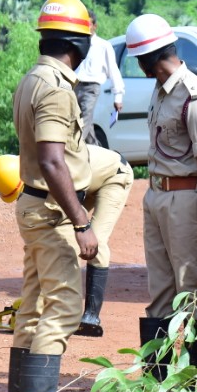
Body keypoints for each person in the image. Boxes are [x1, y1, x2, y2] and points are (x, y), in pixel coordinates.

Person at [9, 0, 101, 392]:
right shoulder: (56, 89)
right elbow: (51, 159)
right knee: (63, 308)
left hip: (33, 204)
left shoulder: (31, 79)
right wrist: (81, 222)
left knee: (33, 306)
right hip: (50, 212)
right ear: (76, 44)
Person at [132, 12, 197, 368]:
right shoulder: (159, 90)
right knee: (161, 291)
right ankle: (160, 381)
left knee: (189, 292)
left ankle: (192, 382)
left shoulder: (193, 95)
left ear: (149, 59)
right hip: (155, 196)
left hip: (183, 199)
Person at [76, 144, 134, 338]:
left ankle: (91, 316)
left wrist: (82, 228)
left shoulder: (62, 167)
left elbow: (73, 211)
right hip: (88, 179)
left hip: (114, 175)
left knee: (95, 240)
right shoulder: (31, 168)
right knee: (59, 234)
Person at [73, 13, 123, 144]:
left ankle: (75, 147)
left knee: (84, 118)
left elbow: (113, 71)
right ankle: (96, 151)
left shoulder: (103, 46)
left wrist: (118, 96)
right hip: (75, 85)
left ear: (94, 26)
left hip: (91, 87)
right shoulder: (76, 44)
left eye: (88, 24)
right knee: (81, 123)